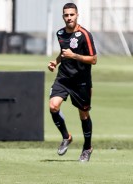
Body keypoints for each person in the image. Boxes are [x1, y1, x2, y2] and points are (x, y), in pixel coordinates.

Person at [48, 3, 97, 162]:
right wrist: (55, 62)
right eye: (66, 15)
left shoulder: (85, 35)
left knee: (83, 115)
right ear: (63, 16)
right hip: (63, 78)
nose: (69, 18)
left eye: (71, 15)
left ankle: (87, 147)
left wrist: (74, 56)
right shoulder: (60, 33)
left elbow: (94, 59)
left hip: (81, 81)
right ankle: (66, 137)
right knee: (53, 106)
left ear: (77, 15)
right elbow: (64, 53)